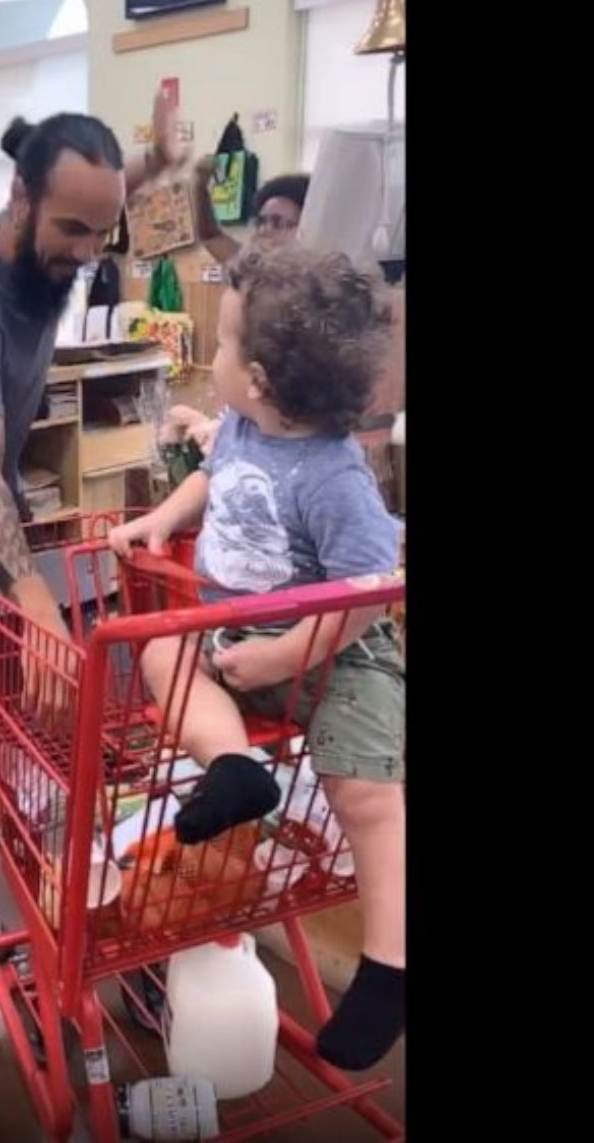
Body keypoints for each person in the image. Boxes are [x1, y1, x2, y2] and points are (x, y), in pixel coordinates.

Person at [0, 89, 189, 958]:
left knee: (19, 682)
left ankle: (16, 796)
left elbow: (101, 186)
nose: (88, 253)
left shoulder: (56, 227)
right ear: (19, 202)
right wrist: (31, 596)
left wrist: (159, 159)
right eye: (73, 233)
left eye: (102, 233)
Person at [107, 241, 404, 1071]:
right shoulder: (242, 425)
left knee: (370, 793)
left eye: (228, 343)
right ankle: (236, 766)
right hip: (239, 630)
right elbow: (214, 474)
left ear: (265, 376)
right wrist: (163, 518)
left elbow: (369, 592)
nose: (216, 355)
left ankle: (389, 966)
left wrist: (286, 658)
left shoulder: (337, 480)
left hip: (339, 649)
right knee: (165, 654)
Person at [192, 171, 312, 264]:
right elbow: (211, 236)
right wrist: (199, 185)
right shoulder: (256, 270)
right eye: (261, 222)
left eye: (278, 223)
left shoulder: (321, 285)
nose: (263, 230)